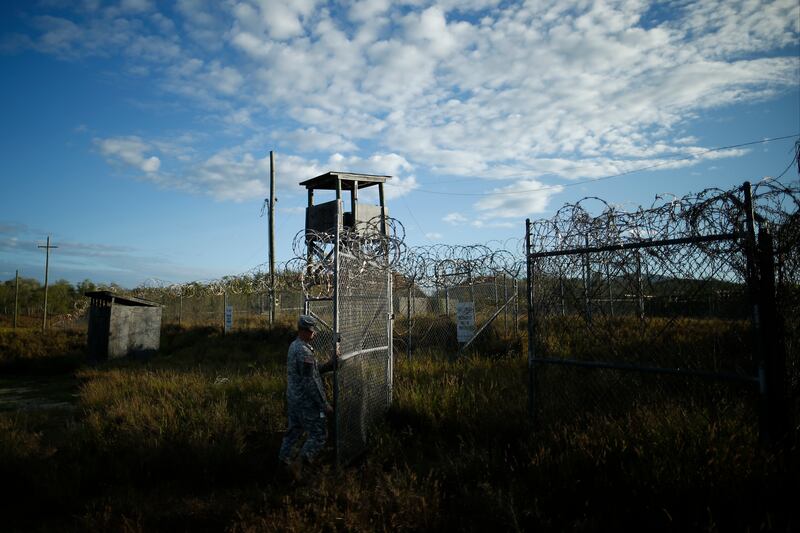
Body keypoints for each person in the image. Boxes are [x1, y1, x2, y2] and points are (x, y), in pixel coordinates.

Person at [278, 315, 334, 472]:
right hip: (306, 401)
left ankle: (283, 461)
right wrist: (324, 404)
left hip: (294, 398)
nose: (314, 334)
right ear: (305, 331)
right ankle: (300, 467)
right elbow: (311, 382)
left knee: (294, 430)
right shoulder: (304, 351)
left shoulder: (294, 346)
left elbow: (309, 373)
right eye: (312, 331)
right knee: (319, 434)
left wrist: (327, 366)